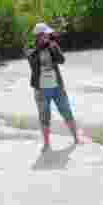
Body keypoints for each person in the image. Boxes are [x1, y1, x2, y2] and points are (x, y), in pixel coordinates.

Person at [27, 23, 81, 151]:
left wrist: (52, 47)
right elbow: (34, 66)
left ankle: (76, 138)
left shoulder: (53, 46)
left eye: (48, 34)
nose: (48, 36)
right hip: (41, 89)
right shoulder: (31, 50)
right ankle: (46, 144)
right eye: (45, 34)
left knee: (66, 111)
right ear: (39, 36)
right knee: (44, 116)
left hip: (57, 86)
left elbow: (62, 60)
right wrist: (40, 48)